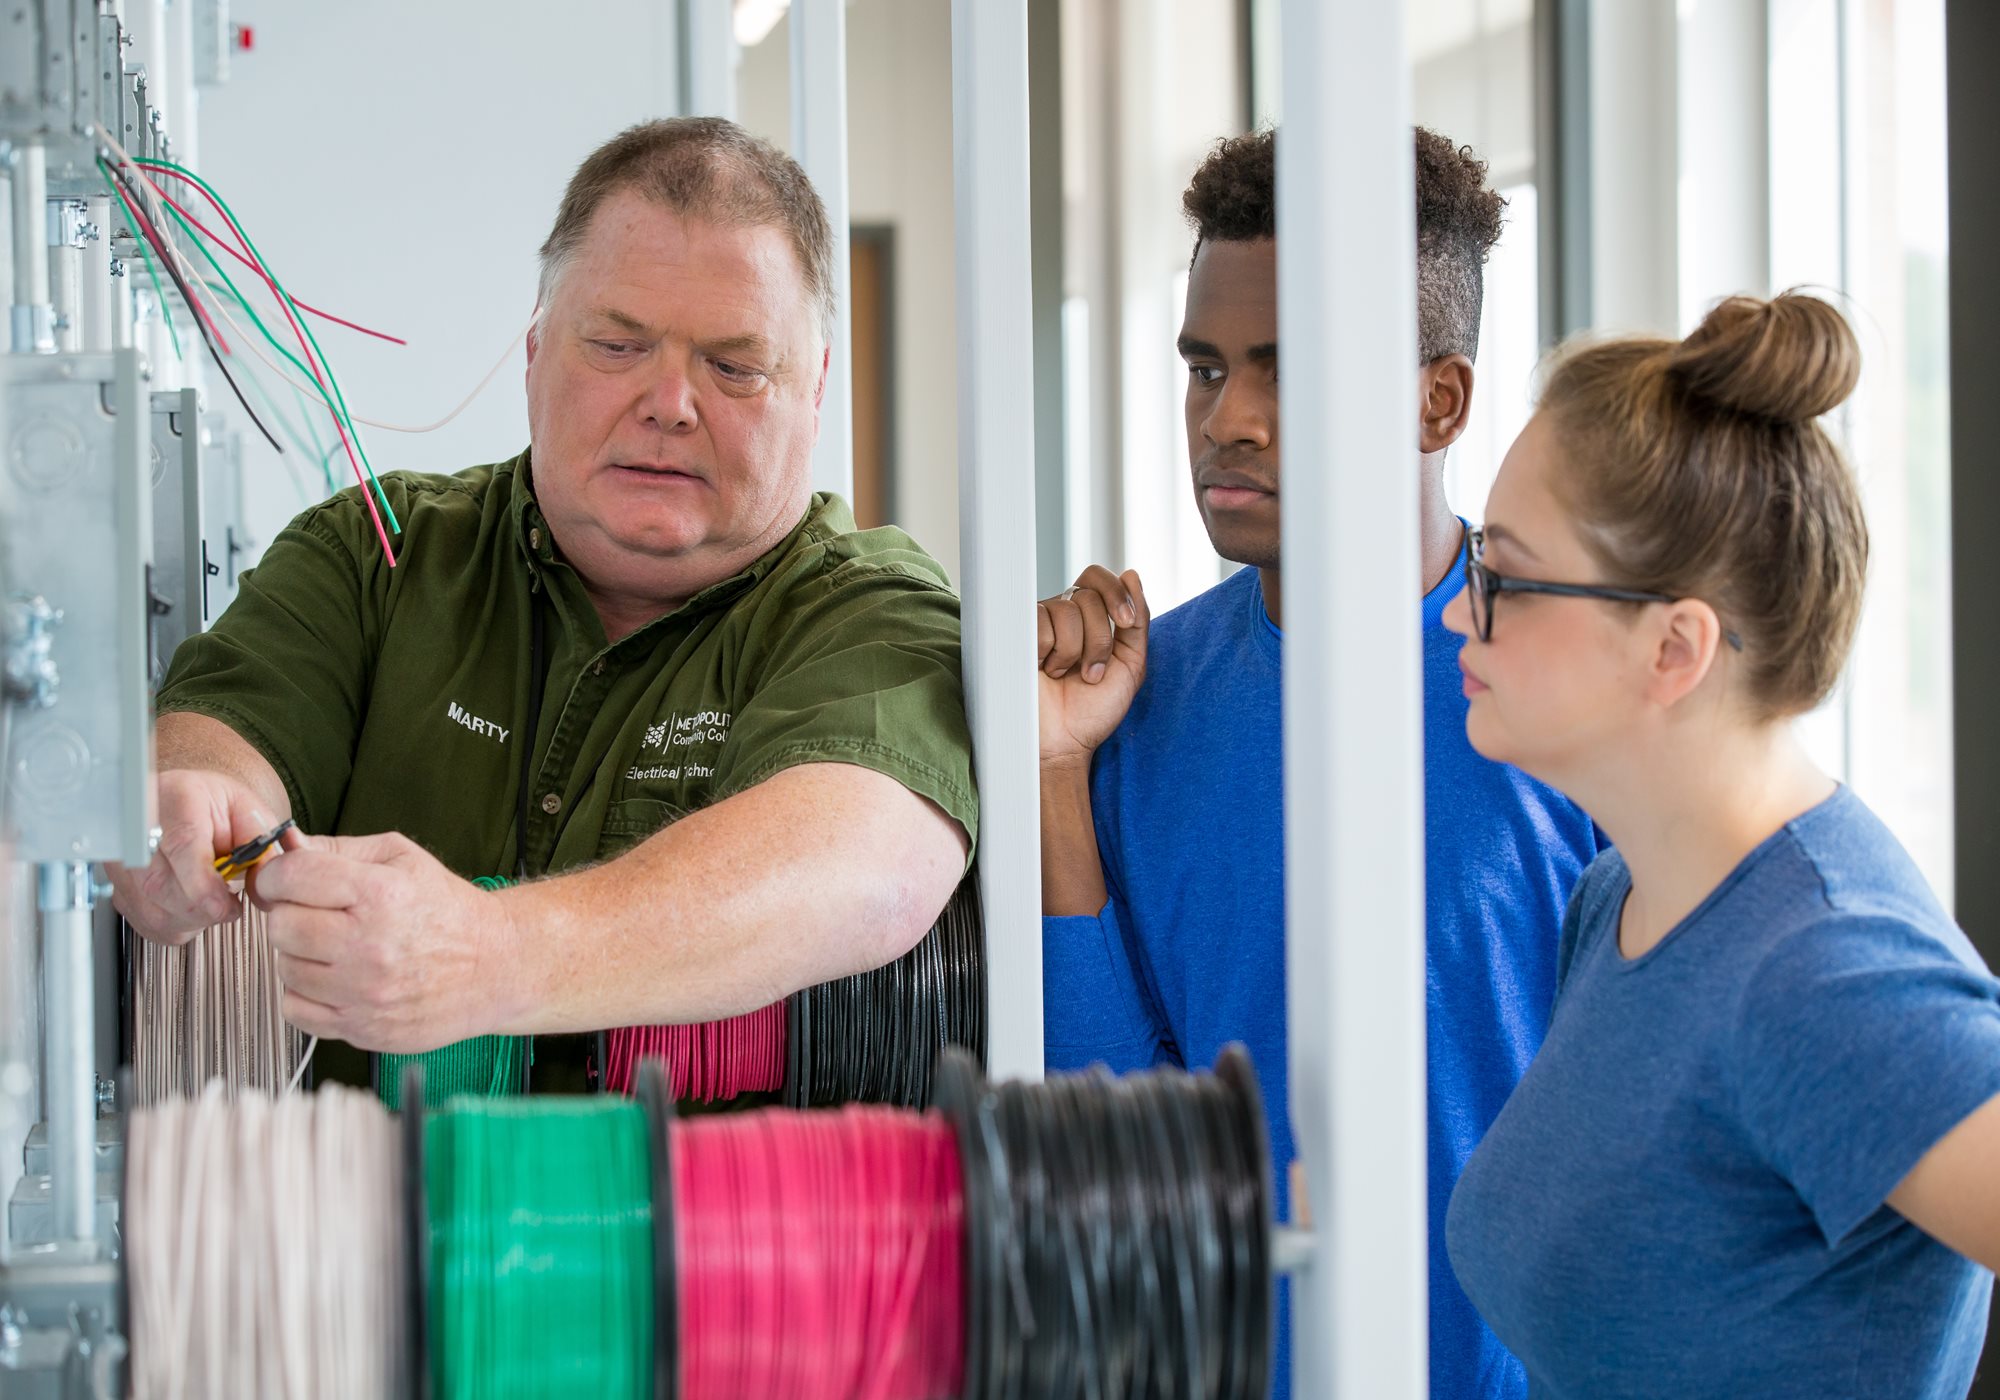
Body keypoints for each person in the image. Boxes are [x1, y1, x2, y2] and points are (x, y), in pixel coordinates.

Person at [111, 117, 975, 1090]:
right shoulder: (375, 554)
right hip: (342, 1232)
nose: (669, 403)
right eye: (616, 344)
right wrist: (192, 807)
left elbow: (867, 868)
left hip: (703, 1244)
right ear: (533, 350)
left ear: (813, 388)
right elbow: (219, 746)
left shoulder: (873, 614)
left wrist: (492, 956)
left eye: (733, 366)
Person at [1037, 127, 1598, 1400]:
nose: (1227, 421)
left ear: (1434, 399)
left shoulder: (1580, 701)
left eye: (1289, 370)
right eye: (1204, 368)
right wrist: (1050, 776)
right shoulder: (1137, 701)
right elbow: (1117, 1135)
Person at [1444, 292, 2000, 1398]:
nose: (1462, 615)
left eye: (1501, 578)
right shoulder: (1620, 896)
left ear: (1671, 648)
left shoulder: (1822, 973)